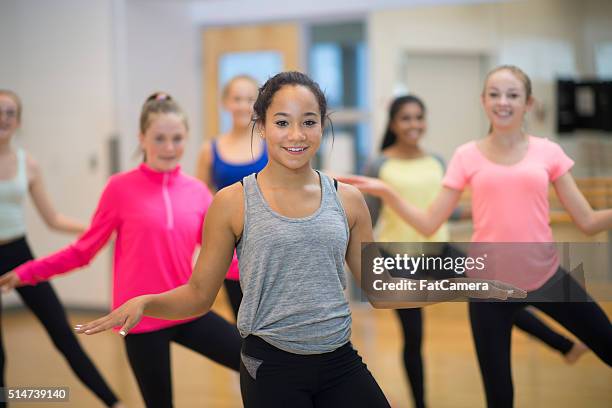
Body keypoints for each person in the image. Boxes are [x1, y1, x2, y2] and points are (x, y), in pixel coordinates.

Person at [68, 72, 525, 408]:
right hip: (272, 368)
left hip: (339, 361)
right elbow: (198, 296)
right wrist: (146, 302)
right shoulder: (231, 203)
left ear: (322, 125)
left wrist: (465, 283)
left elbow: (381, 289)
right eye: (282, 122)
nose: (296, 134)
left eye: (308, 121)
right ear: (262, 126)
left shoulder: (348, 200)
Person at [339, 65, 612, 408]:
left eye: (512, 95)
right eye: (494, 94)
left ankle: (566, 348)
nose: (503, 102)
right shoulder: (466, 155)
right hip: (488, 289)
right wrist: (387, 193)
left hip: (547, 277)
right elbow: (428, 222)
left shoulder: (549, 152)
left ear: (528, 103)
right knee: (499, 398)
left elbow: (586, 220)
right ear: (483, 101)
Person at [0, 92, 241, 408]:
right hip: (140, 318)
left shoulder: (197, 191)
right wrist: (27, 272)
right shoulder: (119, 189)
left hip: (185, 309)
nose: (169, 147)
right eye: (159, 138)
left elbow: (223, 257)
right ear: (142, 138)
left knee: (255, 362)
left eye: (177, 138)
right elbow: (82, 251)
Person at [0, 90, 123, 407]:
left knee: (63, 335)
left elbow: (52, 218)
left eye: (10, 112)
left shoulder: (29, 164)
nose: (3, 118)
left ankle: (113, 401)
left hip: (19, 256)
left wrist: (96, 231)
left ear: (19, 121)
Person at [196, 75, 267, 318]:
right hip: (231, 248)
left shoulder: (270, 144)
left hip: (268, 243)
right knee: (243, 318)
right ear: (226, 102)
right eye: (237, 99)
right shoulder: (210, 149)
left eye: (250, 99)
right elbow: (199, 198)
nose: (243, 105)